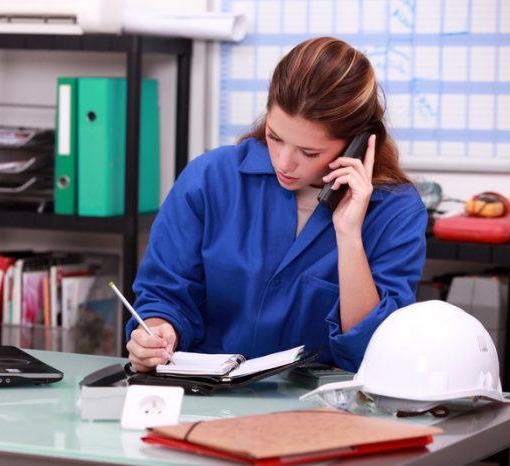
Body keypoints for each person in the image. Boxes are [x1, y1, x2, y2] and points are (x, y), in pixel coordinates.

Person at [125, 37, 427, 373]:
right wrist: (157, 333)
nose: (284, 162)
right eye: (275, 137)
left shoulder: (396, 211)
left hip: (321, 412)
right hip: (205, 401)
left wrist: (349, 234)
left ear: (356, 145)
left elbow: (372, 350)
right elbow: (165, 295)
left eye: (309, 153)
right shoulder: (210, 178)